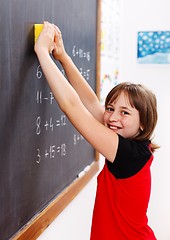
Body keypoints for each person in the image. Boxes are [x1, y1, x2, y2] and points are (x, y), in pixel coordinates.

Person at [34, 21, 159, 240]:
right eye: (111, 108)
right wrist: (63, 57)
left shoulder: (128, 154)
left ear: (143, 122)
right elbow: (91, 103)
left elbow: (73, 107)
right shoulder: (134, 147)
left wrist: (42, 52)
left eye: (125, 113)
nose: (112, 117)